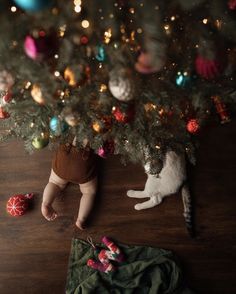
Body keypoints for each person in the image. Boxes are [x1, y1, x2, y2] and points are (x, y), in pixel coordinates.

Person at [41, 138, 97, 230]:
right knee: (88, 192)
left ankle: (46, 203)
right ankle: (81, 219)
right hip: (83, 163)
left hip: (64, 156)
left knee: (55, 183)